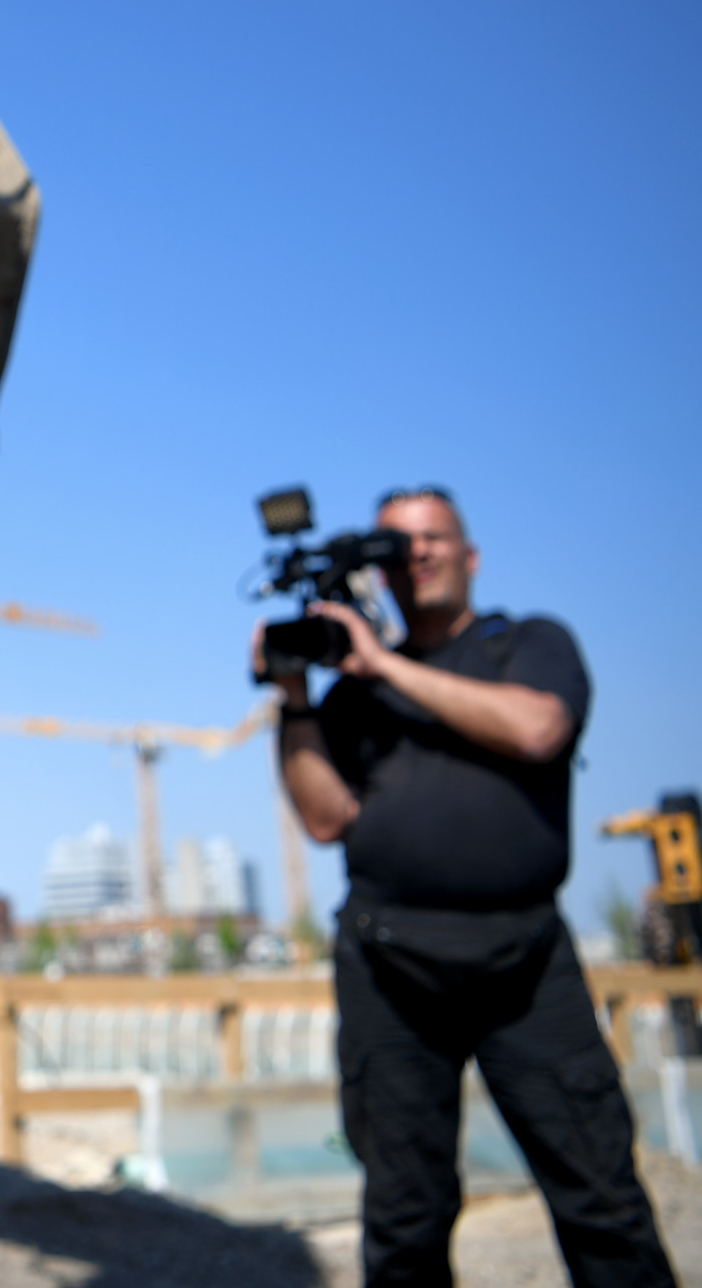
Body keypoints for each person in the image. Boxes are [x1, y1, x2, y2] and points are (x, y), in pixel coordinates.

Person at [260, 486, 676, 1288]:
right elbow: (322, 817)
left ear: (469, 553)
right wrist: (294, 700)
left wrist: (381, 662)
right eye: (397, 545)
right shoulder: (351, 697)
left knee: (600, 1196)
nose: (418, 555)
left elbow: (538, 728)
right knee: (404, 1214)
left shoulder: (527, 644)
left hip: (524, 962)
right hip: (390, 966)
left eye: (433, 537)